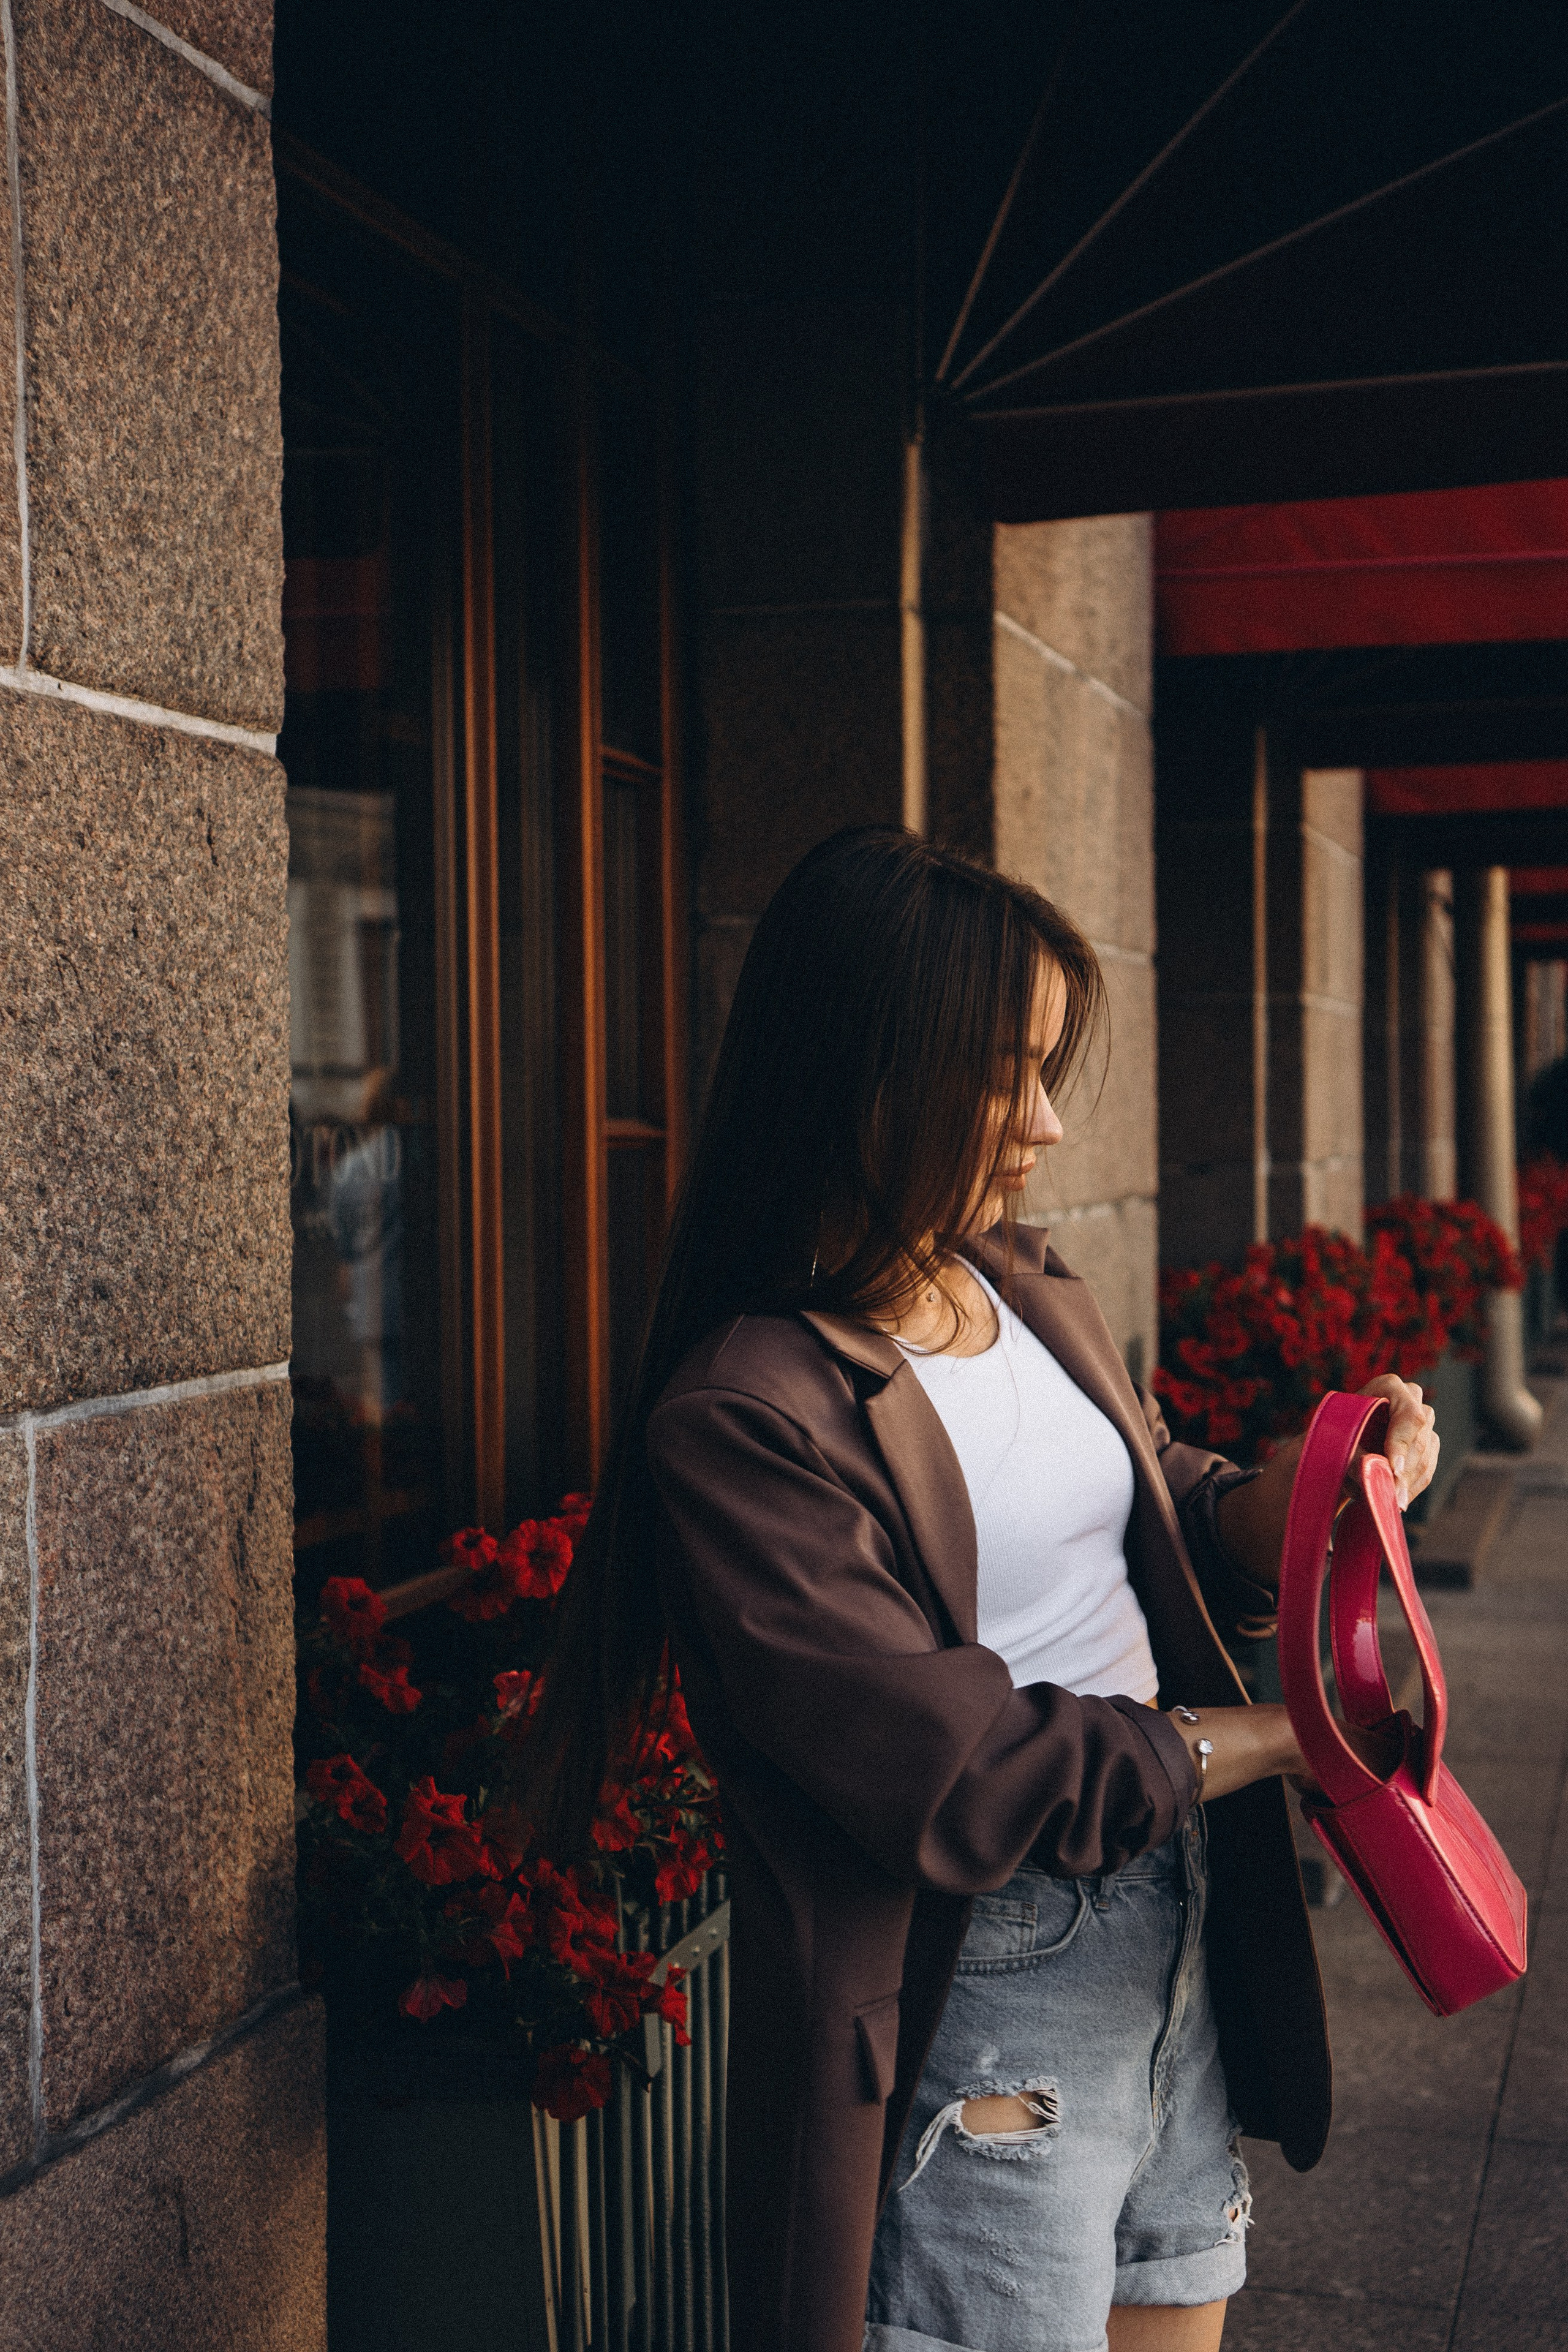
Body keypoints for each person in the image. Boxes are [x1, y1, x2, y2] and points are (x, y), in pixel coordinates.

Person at [523, 827, 1437, 2352]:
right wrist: (1284, 1735)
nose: (1043, 1128)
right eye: (1001, 1075)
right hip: (990, 1980)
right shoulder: (746, 1414)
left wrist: (1300, 1497)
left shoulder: (1016, 1284)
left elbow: (1150, 1509)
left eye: (1045, 1071)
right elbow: (954, 1772)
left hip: (1177, 1927)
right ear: (865, 1077)